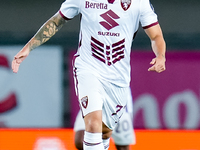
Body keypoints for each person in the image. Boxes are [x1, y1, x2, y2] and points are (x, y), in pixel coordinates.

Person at [12, 0, 166, 149]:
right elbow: (56, 21)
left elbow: (156, 36)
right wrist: (28, 48)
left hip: (118, 78)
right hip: (88, 68)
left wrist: (160, 55)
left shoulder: (139, 2)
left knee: (105, 133)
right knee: (93, 125)